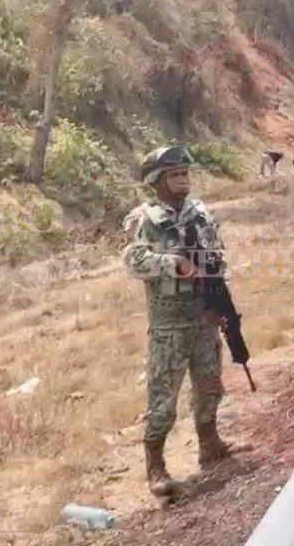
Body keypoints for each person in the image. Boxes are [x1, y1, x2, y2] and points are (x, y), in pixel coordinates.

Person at [123, 146, 233, 498]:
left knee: (209, 385)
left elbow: (217, 255)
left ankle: (210, 443)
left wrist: (218, 300)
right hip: (169, 325)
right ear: (157, 181)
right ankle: (155, 465)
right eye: (174, 174)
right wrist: (174, 264)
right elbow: (134, 261)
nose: (183, 179)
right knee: (162, 399)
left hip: (204, 318)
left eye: (185, 173)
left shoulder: (200, 214)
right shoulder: (144, 218)